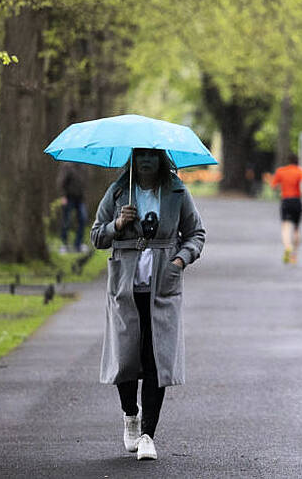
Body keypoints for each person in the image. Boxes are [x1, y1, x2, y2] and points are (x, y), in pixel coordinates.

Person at [90, 148, 205, 461]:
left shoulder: (178, 191)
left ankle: (147, 436)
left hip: (163, 287)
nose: (146, 161)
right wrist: (117, 224)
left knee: (157, 359)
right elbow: (97, 236)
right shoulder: (117, 192)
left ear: (161, 160)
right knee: (126, 357)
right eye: (140, 156)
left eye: (152, 156)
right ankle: (131, 415)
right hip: (125, 287)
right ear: (133, 160)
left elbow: (196, 234)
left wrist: (180, 260)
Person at [270, 153, 302, 264]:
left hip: (286, 201)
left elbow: (273, 186)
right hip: (297, 201)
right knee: (296, 229)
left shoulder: (281, 171)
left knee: (286, 227)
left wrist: (280, 189)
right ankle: (294, 256)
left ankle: (288, 247)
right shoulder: (301, 171)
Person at [57, 161, 87, 253]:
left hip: (80, 198)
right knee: (67, 221)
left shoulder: (83, 166)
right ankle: (64, 244)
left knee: (83, 219)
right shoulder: (67, 166)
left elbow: (84, 183)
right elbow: (61, 181)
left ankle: (78, 244)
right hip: (69, 197)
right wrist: (63, 196)